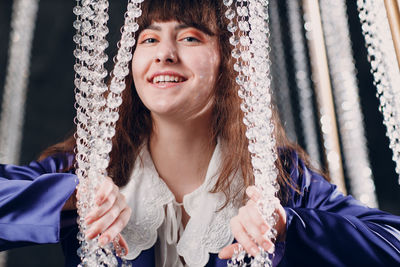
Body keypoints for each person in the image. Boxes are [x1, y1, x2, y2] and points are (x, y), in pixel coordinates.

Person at [1, 0, 400, 266]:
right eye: (149, 38)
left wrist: (289, 226)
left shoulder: (280, 178)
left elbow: (391, 241)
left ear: (228, 60)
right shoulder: (86, 167)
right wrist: (67, 196)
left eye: (190, 37)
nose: (165, 53)